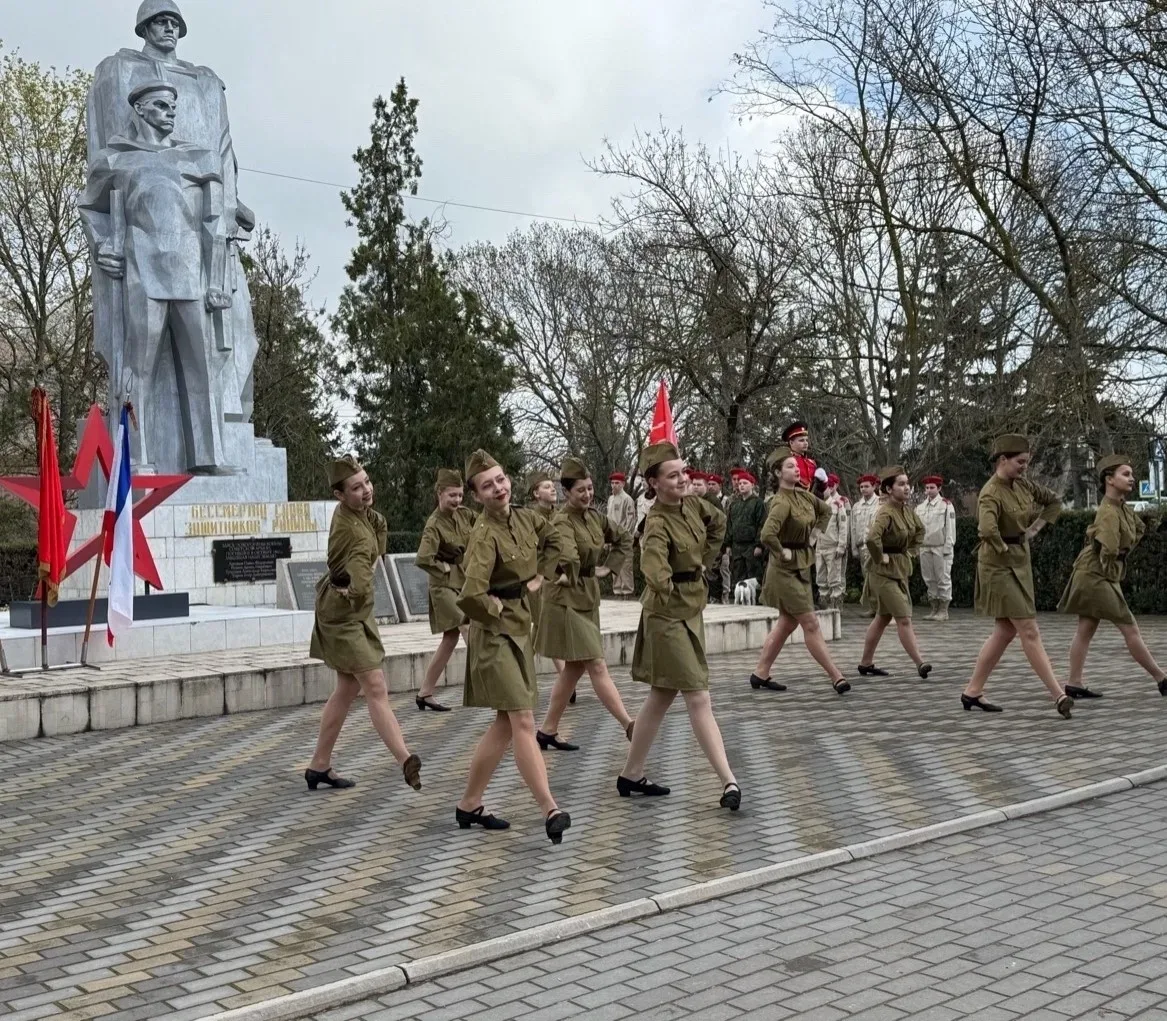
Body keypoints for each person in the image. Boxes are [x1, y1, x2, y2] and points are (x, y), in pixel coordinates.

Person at [454, 450, 572, 843]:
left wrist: (542, 575)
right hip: (493, 637)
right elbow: (470, 594)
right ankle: (549, 808)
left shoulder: (525, 517)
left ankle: (470, 803)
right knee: (523, 720)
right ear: (476, 495)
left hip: (520, 630)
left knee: (505, 725)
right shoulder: (483, 535)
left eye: (501, 479)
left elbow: (558, 540)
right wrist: (494, 605)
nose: (498, 488)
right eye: (487, 485)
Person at [617, 441, 739, 809]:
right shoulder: (655, 524)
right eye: (673, 476)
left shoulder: (692, 504)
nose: (683, 479)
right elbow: (654, 574)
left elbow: (718, 522)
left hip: (690, 608)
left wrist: (703, 562)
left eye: (683, 472)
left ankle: (631, 774)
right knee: (698, 695)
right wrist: (678, 585)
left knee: (661, 695)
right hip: (667, 615)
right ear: (653, 484)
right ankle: (728, 781)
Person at [305, 456, 422, 792]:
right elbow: (357, 584)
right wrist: (360, 582)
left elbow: (379, 523)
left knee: (347, 688)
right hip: (343, 613)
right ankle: (404, 759)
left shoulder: (361, 515)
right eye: (356, 488)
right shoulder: (351, 532)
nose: (366, 490)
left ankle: (319, 766)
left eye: (367, 482)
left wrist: (377, 557)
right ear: (340, 495)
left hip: (351, 611)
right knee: (375, 685)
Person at [962, 435, 1073, 718]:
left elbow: (1054, 502)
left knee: (1005, 630)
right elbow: (987, 530)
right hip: (998, 567)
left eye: (1026, 462)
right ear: (1003, 460)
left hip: (1018, 563)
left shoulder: (1023, 485)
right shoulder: (990, 492)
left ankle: (973, 691)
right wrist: (1004, 547)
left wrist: (1034, 530)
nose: (1024, 467)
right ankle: (1058, 694)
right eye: (1019, 462)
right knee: (1028, 629)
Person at [536, 456, 636, 750]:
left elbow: (624, 539)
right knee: (595, 664)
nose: (588, 494)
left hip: (587, 597)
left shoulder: (595, 517)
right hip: (566, 601)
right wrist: (574, 571)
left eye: (591, 488)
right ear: (566, 492)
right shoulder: (561, 522)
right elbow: (567, 555)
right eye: (581, 490)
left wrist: (609, 567)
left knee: (574, 669)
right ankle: (629, 724)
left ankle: (547, 731)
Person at [1058, 453, 1167, 699]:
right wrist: (1112, 568)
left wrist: (1120, 554)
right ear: (1109, 479)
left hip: (1096, 572)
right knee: (1130, 628)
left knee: (1085, 628)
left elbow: (1137, 530)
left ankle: (1074, 683)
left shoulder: (1122, 509)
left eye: (1131, 474)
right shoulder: (1108, 511)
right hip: (1096, 574)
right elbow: (1107, 548)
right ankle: (1162, 679)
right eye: (1125, 474)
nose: (1132, 478)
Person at [749, 447, 850, 694]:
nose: (797, 469)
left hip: (801, 565)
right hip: (784, 570)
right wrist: (781, 551)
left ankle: (760, 673)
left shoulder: (803, 496)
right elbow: (767, 534)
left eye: (797, 466)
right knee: (811, 623)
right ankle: (836, 675)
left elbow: (825, 510)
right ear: (778, 473)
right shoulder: (780, 502)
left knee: (787, 623)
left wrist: (815, 535)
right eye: (790, 466)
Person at [857, 466, 932, 678]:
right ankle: (920, 663)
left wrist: (911, 551)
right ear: (889, 489)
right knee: (904, 617)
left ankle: (866, 663)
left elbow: (920, 530)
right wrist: (880, 556)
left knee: (882, 617)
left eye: (907, 483)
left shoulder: (906, 510)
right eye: (901, 484)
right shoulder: (886, 512)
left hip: (899, 569)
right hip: (882, 573)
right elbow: (872, 538)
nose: (907, 487)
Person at [413, 468, 476, 711]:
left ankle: (424, 693)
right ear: (439, 493)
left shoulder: (464, 515)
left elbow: (482, 525)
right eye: (452, 495)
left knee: (449, 639)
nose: (457, 500)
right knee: (467, 625)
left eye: (460, 495)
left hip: (462, 583)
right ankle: (492, 677)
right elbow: (422, 558)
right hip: (443, 587)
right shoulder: (434, 525)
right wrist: (445, 568)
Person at [525, 470, 563, 679]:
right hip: (538, 578)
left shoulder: (560, 515)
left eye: (552, 486)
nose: (552, 489)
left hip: (557, 579)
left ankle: (523, 672)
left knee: (540, 628)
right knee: (543, 624)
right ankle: (565, 676)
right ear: (536, 493)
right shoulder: (531, 518)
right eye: (546, 487)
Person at [917, 474, 956, 621]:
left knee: (943, 578)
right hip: (925, 546)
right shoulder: (920, 507)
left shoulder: (946, 505)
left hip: (941, 547)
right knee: (929, 578)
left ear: (939, 488)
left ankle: (943, 610)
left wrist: (948, 546)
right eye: (926, 488)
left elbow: (950, 528)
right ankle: (934, 608)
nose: (929, 490)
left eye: (932, 487)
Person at [723, 468, 766, 591]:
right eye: (740, 483)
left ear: (752, 485)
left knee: (753, 577)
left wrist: (759, 545)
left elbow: (761, 525)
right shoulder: (734, 505)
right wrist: (728, 545)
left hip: (751, 546)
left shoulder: (758, 503)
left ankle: (756, 603)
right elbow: (730, 525)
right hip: (737, 547)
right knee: (738, 577)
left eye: (745, 483)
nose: (741, 485)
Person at [814, 473, 850, 610]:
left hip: (833, 547)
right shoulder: (816, 505)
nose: (825, 490)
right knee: (821, 579)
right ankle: (824, 605)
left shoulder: (837, 504)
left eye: (828, 487)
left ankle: (836, 608)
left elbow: (843, 526)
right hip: (820, 547)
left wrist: (842, 546)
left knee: (835, 580)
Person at [606, 471, 638, 598]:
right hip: (612, 537)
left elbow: (630, 520)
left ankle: (627, 592)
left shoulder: (627, 499)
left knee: (625, 567)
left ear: (623, 484)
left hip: (623, 538)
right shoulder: (610, 499)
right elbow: (608, 518)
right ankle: (617, 592)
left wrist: (623, 535)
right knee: (614, 566)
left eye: (617, 483)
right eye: (612, 483)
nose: (614, 485)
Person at [782, 421, 827, 492]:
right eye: (801, 440)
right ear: (791, 443)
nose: (805, 443)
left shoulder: (812, 463)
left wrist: (824, 481)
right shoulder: (786, 462)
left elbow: (821, 491)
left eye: (806, 440)